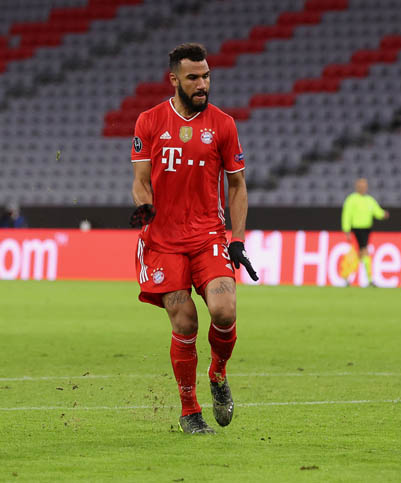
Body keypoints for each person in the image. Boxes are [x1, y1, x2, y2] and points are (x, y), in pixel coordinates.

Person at [130, 43, 259, 435]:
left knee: (224, 310)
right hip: (163, 241)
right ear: (174, 79)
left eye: (206, 76)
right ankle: (190, 411)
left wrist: (236, 239)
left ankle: (217, 373)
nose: (202, 84)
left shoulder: (223, 124)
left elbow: (236, 186)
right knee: (184, 322)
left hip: (207, 235)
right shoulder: (149, 122)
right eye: (193, 78)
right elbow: (139, 182)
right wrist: (145, 207)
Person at [341, 178, 389, 286]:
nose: (363, 188)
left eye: (365, 186)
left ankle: (347, 275)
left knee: (360, 254)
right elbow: (346, 215)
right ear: (357, 187)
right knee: (363, 252)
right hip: (357, 229)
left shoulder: (369, 200)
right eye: (361, 186)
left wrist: (383, 214)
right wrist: (346, 230)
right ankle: (369, 279)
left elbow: (376, 211)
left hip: (366, 229)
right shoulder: (351, 199)